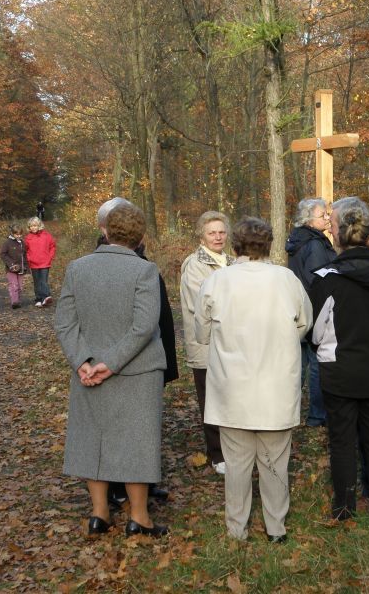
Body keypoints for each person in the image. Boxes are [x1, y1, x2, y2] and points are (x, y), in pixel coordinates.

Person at [54, 203, 168, 537]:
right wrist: (111, 364)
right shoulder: (145, 270)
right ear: (141, 237)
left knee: (93, 436)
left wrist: (83, 362)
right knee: (136, 440)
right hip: (137, 370)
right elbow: (144, 327)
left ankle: (99, 513)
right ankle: (139, 517)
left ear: (104, 231)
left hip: (89, 370)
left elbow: (65, 323)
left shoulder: (77, 268)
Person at [195, 217, 312, 542]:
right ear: (269, 244)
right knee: (275, 463)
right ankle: (276, 527)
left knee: (236, 465)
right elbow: (304, 324)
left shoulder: (218, 281)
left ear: (235, 245)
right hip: (277, 385)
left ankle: (237, 528)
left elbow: (201, 332)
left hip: (233, 388)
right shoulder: (286, 280)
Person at [309, 197, 369, 520]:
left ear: (340, 234)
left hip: (341, 370)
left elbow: (316, 330)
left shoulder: (327, 278)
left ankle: (345, 506)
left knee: (342, 440)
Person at [95, 197, 179, 507]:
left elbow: (159, 318)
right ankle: (117, 487)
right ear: (105, 230)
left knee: (141, 426)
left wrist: (166, 362)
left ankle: (141, 482)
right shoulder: (99, 264)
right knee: (114, 425)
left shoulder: (143, 262)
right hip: (117, 356)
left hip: (146, 356)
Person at [180, 211, 234, 475]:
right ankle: (217, 453)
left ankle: (234, 447)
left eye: (221, 232)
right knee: (211, 399)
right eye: (212, 232)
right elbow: (201, 304)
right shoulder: (195, 265)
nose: (218, 237)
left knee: (230, 396)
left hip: (232, 342)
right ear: (202, 236)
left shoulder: (232, 262)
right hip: (205, 343)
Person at [285, 198, 336, 427]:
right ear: (308, 220)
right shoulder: (315, 244)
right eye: (322, 215)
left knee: (299, 365)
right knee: (316, 364)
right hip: (314, 310)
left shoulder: (298, 239)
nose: (327, 218)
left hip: (300, 309)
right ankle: (317, 415)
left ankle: (290, 412)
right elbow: (319, 279)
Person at [25, 216, 56, 308]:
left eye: (35, 226)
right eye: (31, 226)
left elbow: (52, 246)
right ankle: (38, 299)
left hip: (45, 263)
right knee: (37, 281)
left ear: (39, 226)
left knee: (43, 281)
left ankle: (45, 297)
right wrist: (29, 258)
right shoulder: (28, 238)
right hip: (33, 263)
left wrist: (50, 257)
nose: (33, 228)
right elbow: (25, 250)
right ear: (29, 227)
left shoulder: (47, 235)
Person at [0, 223, 28, 309]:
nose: (18, 236)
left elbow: (25, 255)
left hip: (21, 268)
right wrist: (11, 264)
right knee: (14, 285)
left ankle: (18, 301)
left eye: (20, 234)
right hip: (11, 269)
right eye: (16, 234)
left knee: (20, 286)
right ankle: (14, 301)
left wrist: (25, 266)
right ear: (12, 233)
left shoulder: (22, 243)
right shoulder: (7, 243)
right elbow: (3, 254)